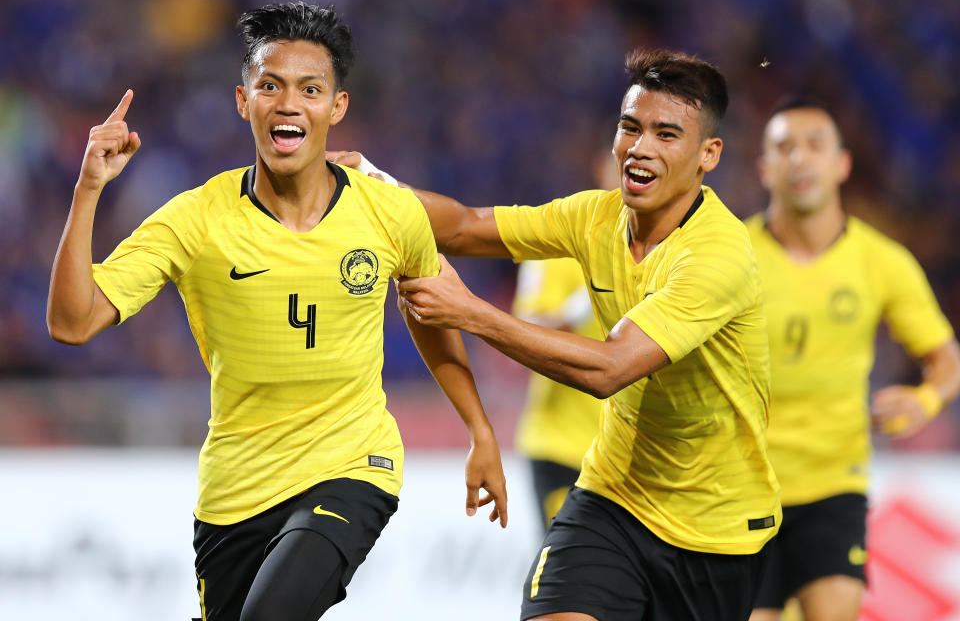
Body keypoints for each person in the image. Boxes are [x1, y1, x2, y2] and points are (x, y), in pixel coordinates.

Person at [46, 2, 507, 621]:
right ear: (244, 101)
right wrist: (88, 190)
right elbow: (72, 323)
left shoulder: (390, 213)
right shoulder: (196, 217)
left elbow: (431, 311)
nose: (289, 103)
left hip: (352, 465)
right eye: (270, 86)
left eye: (310, 89)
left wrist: (479, 429)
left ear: (336, 108)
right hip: (234, 493)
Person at [340, 48, 781, 621]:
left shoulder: (716, 255)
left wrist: (470, 312)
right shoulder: (594, 218)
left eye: (667, 134)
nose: (641, 147)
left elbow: (610, 369)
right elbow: (467, 225)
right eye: (631, 127)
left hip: (715, 528)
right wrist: (374, 185)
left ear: (708, 155)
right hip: (612, 498)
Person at [746, 98, 960, 621]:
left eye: (815, 146)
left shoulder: (881, 262)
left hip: (833, 484)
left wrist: (925, 399)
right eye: (784, 147)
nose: (800, 159)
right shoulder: (730, 257)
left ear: (842, 164)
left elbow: (946, 357)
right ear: (764, 168)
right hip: (742, 487)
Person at [512, 257, 603, 530]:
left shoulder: (670, 247)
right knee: (569, 568)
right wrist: (589, 298)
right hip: (564, 447)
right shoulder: (551, 246)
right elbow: (525, 335)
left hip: (634, 453)